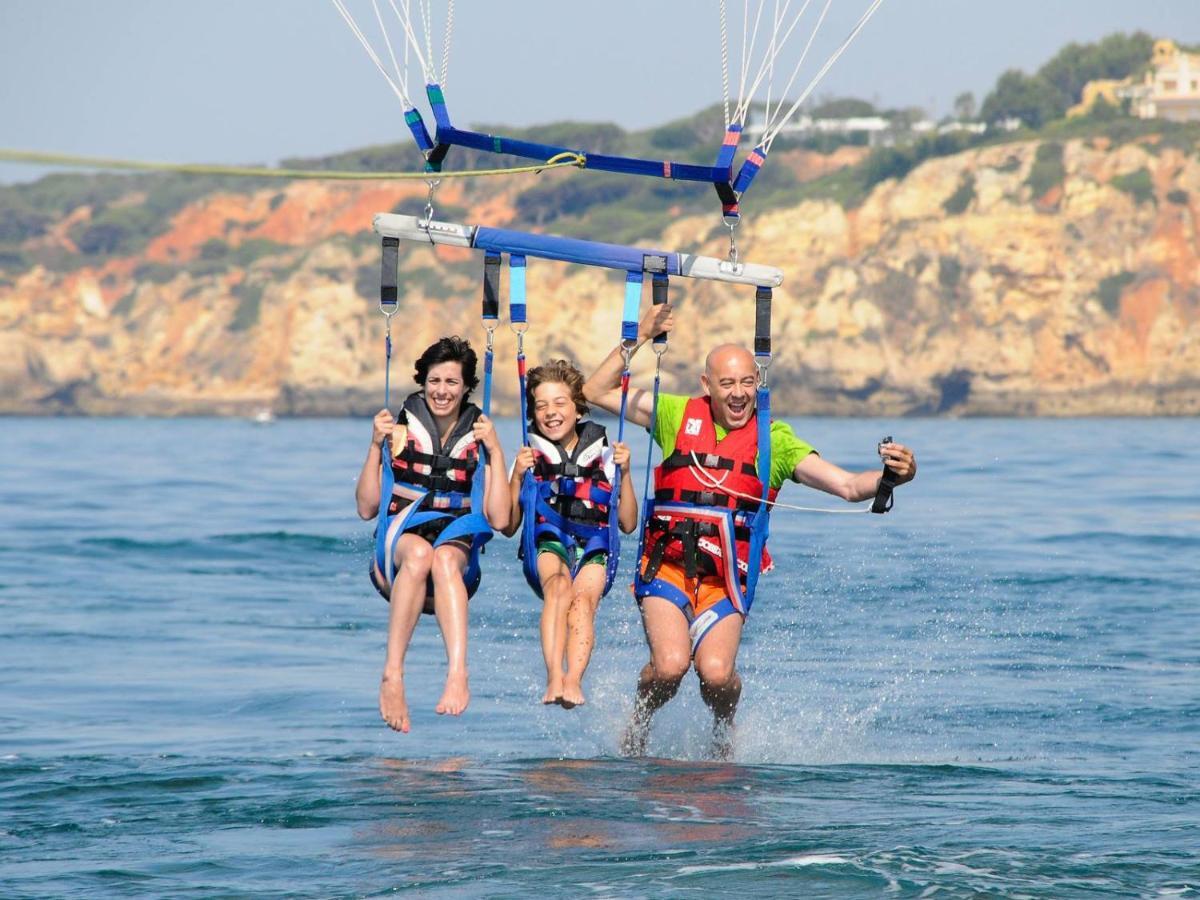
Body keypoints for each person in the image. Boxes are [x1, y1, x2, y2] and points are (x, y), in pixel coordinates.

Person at [583, 304, 917, 759]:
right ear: (707, 386)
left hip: (727, 578)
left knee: (716, 674)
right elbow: (595, 389)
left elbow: (846, 486)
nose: (739, 394)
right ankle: (638, 724)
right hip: (668, 566)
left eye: (747, 383)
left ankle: (724, 728)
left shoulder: (773, 440)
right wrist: (640, 333)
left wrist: (893, 476)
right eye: (727, 384)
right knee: (670, 666)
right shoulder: (676, 415)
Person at [355, 336, 510, 733]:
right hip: (400, 543)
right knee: (422, 554)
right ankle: (393, 674)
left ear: (466, 387)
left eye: (452, 383)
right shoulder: (397, 429)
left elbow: (499, 518)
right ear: (423, 381)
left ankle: (457, 673)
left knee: (440, 557)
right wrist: (375, 447)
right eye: (435, 381)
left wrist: (496, 452)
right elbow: (366, 508)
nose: (442, 391)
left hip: (456, 551)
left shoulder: (478, 437)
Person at [502, 359, 638, 708]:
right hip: (547, 541)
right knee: (559, 589)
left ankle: (573, 681)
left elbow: (628, 523)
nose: (551, 412)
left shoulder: (606, 454)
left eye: (560, 403)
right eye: (542, 405)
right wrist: (516, 476)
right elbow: (508, 524)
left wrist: (626, 473)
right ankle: (554, 678)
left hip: (595, 541)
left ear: (578, 409)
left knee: (582, 603)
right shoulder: (528, 456)